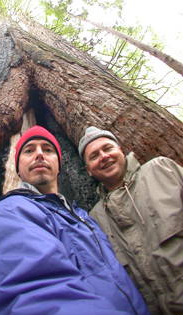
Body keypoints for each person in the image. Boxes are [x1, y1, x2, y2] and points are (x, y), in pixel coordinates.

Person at [0, 125, 149, 315]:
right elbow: (37, 296)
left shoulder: (86, 218)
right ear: (17, 168)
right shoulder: (12, 211)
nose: (39, 155)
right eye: (29, 151)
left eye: (48, 150)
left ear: (59, 165)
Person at [78, 126, 183, 315]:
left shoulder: (162, 170)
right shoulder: (95, 220)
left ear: (120, 150)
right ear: (88, 171)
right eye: (94, 156)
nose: (103, 156)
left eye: (108, 148)